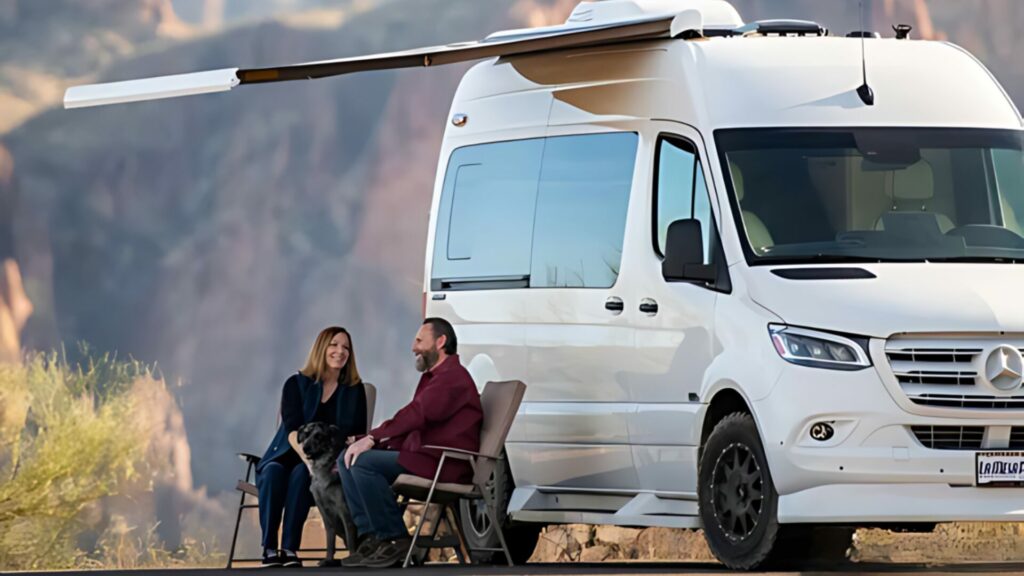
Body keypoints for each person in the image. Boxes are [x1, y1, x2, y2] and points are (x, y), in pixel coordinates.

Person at [337, 317, 483, 569]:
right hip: (423, 458)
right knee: (346, 458)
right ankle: (371, 539)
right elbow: (414, 422)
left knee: (363, 464)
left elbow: (417, 414)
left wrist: (373, 438)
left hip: (443, 464)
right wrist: (365, 441)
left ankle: (395, 540)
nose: (413, 347)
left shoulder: (452, 378)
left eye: (419, 340)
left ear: (440, 341)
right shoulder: (436, 377)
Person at [255, 326, 368, 567]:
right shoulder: (296, 384)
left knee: (300, 477)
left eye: (346, 347)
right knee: (274, 472)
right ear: (321, 349)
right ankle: (269, 549)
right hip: (289, 453)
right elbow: (292, 429)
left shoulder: (355, 390)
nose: (340, 351)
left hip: (327, 463)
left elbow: (358, 431)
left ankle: (289, 549)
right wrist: (307, 461)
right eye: (334, 345)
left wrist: (320, 463)